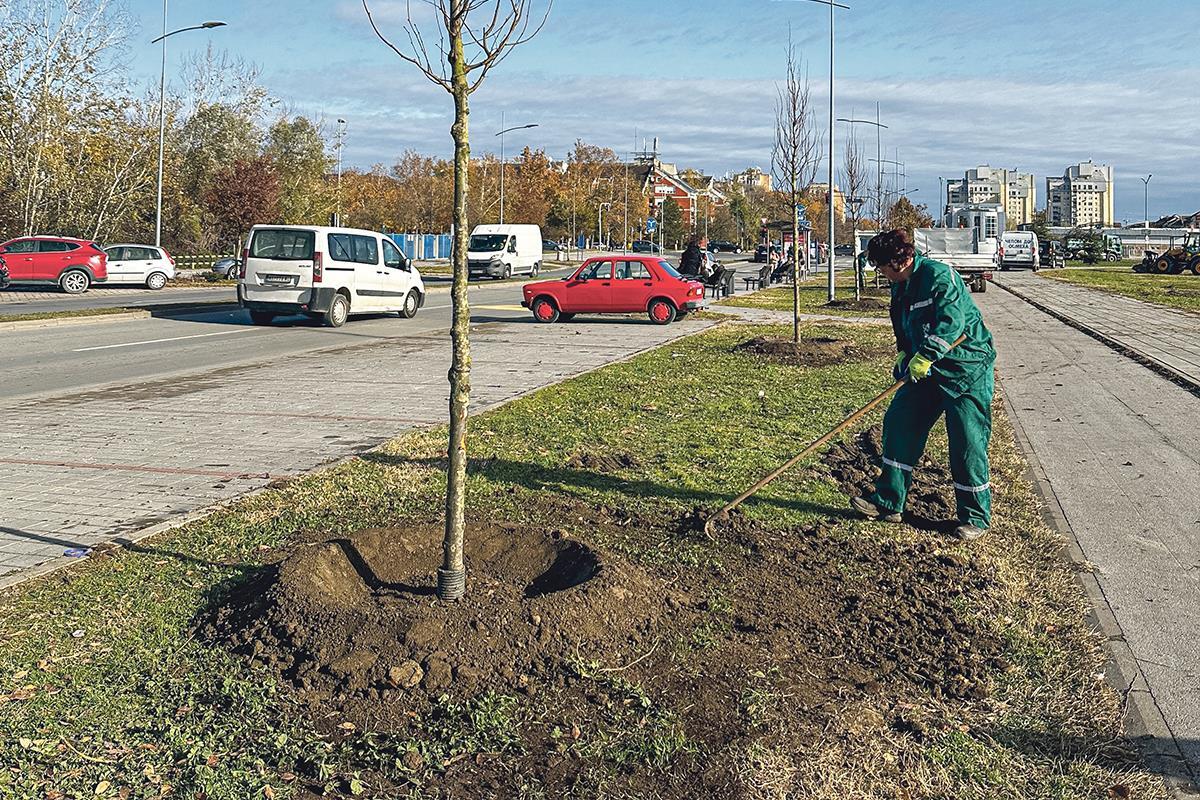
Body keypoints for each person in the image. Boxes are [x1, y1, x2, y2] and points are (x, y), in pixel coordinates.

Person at [849, 228, 997, 541]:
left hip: (965, 369)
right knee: (899, 422)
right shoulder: (900, 286)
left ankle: (975, 517)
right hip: (925, 370)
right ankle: (889, 502)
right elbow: (902, 325)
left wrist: (926, 355)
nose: (881, 273)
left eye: (882, 267)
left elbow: (951, 324)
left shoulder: (938, 277)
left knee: (967, 442)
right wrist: (905, 352)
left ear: (898, 262)